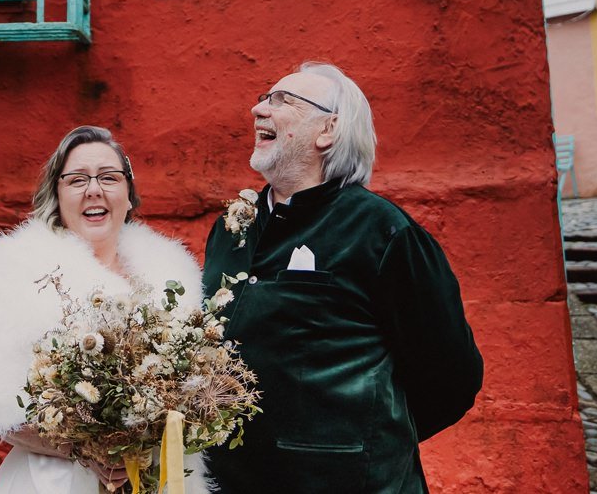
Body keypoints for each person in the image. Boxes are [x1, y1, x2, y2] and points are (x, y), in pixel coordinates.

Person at [201, 61, 482, 494]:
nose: (259, 110)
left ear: (327, 130)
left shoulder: (383, 231)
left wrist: (357, 444)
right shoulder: (230, 229)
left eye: (281, 100)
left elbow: (451, 374)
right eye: (263, 97)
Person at [0, 125, 204, 494]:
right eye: (77, 179)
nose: (94, 189)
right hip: (53, 482)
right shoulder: (18, 271)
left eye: (109, 177)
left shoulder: (171, 275)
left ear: (128, 194)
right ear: (57, 195)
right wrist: (88, 449)